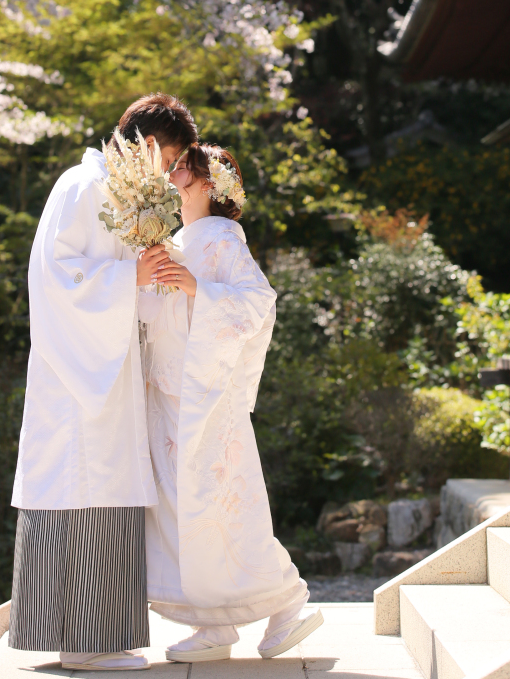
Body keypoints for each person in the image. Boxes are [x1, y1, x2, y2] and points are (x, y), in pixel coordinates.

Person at [9, 93, 198, 670]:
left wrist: (147, 275)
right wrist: (129, 275)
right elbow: (54, 280)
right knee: (84, 490)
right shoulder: (81, 185)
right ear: (143, 143)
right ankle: (83, 644)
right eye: (167, 160)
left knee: (107, 494)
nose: (167, 174)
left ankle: (100, 637)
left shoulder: (114, 192)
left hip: (106, 370)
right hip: (78, 378)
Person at [138, 144, 323, 663]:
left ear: (207, 186)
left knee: (224, 505)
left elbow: (257, 300)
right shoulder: (179, 240)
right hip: (173, 393)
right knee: (185, 510)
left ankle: (287, 601)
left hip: (207, 397)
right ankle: (213, 624)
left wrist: (199, 288)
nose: (172, 177)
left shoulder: (220, 239)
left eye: (182, 171)